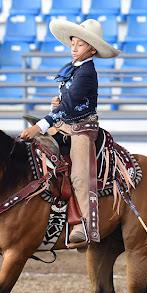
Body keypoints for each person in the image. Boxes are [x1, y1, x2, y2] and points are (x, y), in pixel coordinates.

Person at [20, 19, 120, 248]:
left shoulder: (86, 72)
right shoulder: (75, 69)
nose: (74, 48)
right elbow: (68, 101)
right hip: (65, 124)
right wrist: (57, 103)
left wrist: (41, 125)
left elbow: (71, 103)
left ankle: (83, 226)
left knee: (80, 175)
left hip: (83, 128)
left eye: (80, 45)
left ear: (92, 49)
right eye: (73, 43)